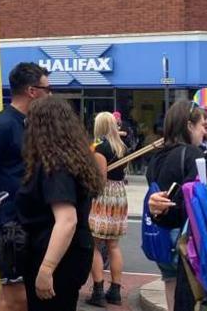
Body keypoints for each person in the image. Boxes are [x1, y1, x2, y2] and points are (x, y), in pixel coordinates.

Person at [0, 62, 50, 311]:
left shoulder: (32, 124)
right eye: (47, 89)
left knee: (23, 295)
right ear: (31, 91)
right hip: (8, 225)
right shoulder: (3, 125)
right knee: (16, 297)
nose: (50, 94)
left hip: (28, 221)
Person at [16, 97, 103, 310]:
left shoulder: (55, 166)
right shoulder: (72, 160)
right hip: (72, 253)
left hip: (56, 257)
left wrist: (46, 269)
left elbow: (67, 220)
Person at [145, 100, 205, 311]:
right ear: (189, 126)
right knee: (189, 291)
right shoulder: (192, 155)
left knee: (170, 283)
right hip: (181, 236)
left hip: (158, 234)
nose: (203, 132)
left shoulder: (156, 157)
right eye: (202, 126)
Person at [85, 112, 129, 306]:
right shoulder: (122, 147)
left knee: (94, 244)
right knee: (113, 245)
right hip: (119, 194)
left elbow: (100, 178)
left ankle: (98, 291)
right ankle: (116, 291)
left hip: (104, 197)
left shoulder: (100, 148)